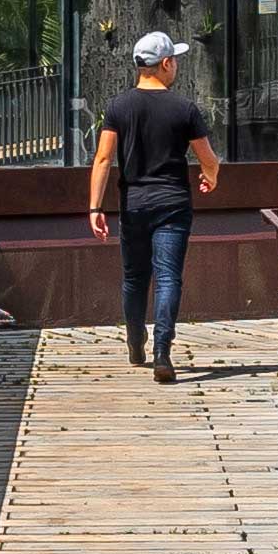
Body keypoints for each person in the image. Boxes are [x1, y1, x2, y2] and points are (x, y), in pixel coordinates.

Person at [82, 28, 223, 378]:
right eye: (174, 60)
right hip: (173, 204)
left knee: (133, 278)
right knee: (168, 277)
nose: (175, 66)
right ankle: (162, 352)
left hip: (133, 205)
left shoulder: (118, 106)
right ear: (165, 64)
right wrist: (212, 175)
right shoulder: (184, 109)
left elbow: (102, 159)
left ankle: (135, 342)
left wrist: (95, 208)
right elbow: (208, 158)